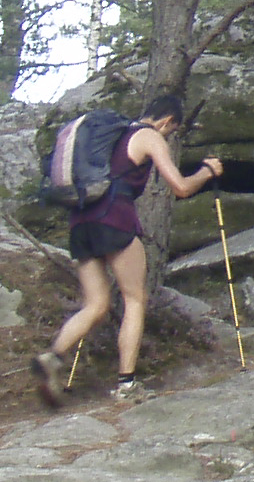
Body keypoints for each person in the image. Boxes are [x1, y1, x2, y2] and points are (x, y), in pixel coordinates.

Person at [32, 91, 222, 408]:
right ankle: (127, 384)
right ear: (167, 121)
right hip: (115, 219)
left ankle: (51, 357)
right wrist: (207, 171)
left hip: (80, 221)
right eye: (171, 131)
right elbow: (180, 187)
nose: (169, 135)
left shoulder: (112, 137)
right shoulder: (148, 136)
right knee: (135, 298)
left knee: (95, 305)